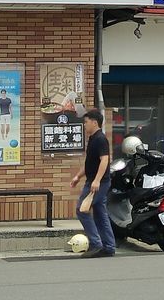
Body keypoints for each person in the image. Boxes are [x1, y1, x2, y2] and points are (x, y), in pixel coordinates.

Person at [70, 110, 114, 258]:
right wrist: (78, 176)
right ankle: (109, 246)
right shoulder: (93, 139)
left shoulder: (100, 139)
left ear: (94, 122)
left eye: (86, 122)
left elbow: (105, 160)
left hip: (98, 183)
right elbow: (89, 163)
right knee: (101, 214)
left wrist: (96, 181)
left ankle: (96, 244)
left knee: (82, 210)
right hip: (94, 181)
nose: (84, 125)